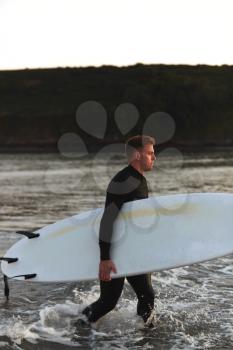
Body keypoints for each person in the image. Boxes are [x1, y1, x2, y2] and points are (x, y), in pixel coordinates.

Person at [82, 135, 156, 327]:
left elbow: (134, 219)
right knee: (108, 302)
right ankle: (77, 325)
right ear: (138, 155)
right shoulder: (123, 181)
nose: (154, 158)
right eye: (150, 153)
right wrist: (105, 258)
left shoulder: (139, 179)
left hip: (132, 249)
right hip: (116, 251)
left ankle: (144, 333)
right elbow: (108, 220)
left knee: (147, 295)